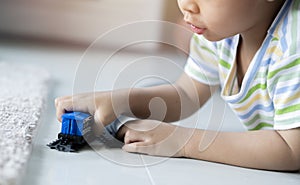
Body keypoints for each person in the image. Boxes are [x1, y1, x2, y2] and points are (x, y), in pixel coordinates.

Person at [55, 0, 300, 171]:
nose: (186, 5)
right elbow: (185, 94)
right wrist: (118, 101)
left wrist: (184, 141)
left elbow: (291, 150)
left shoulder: (293, 44)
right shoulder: (222, 32)